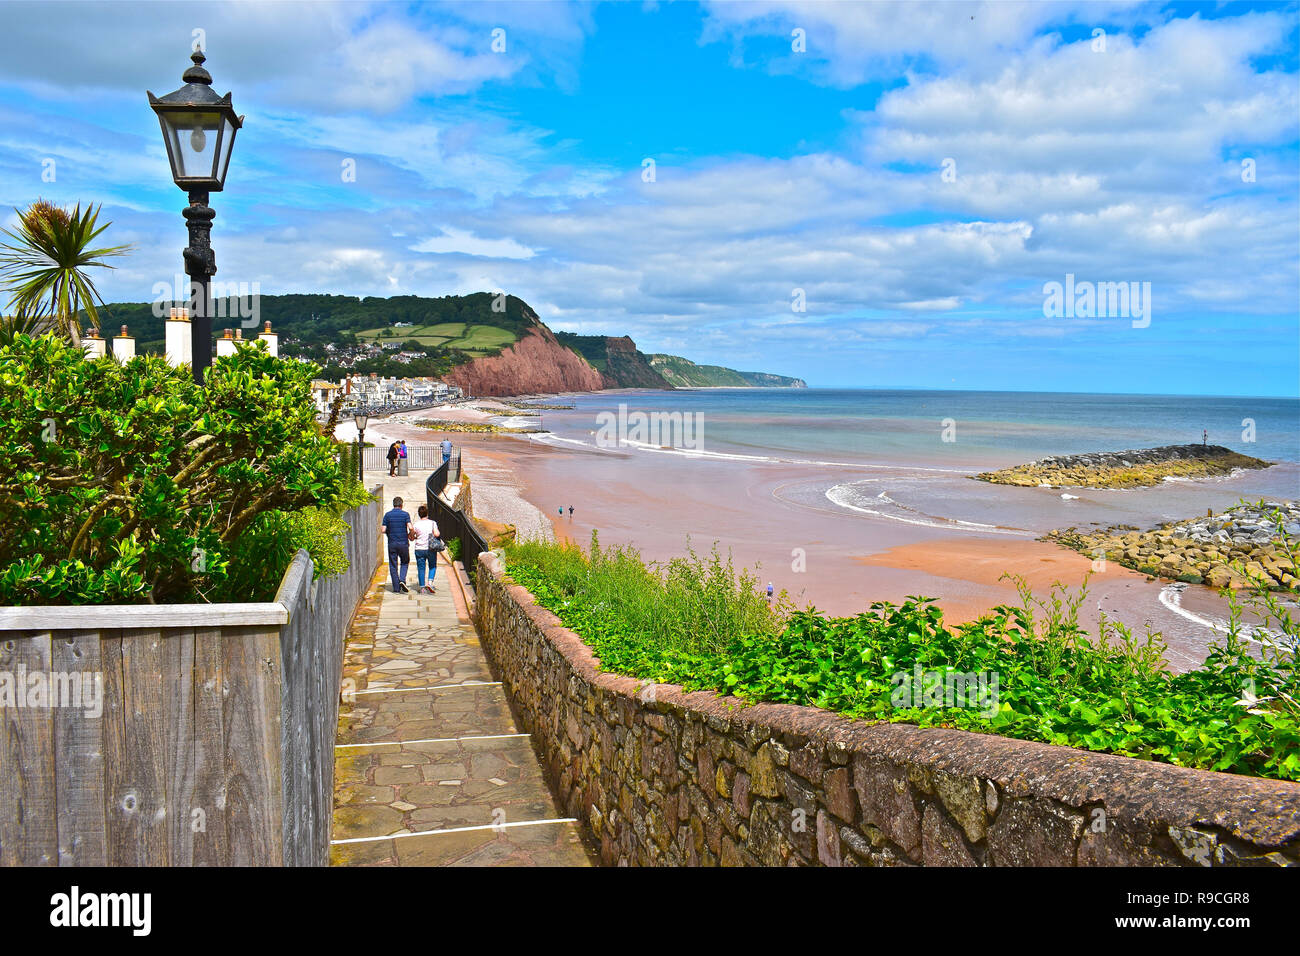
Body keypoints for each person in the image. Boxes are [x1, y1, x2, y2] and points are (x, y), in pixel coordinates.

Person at [382, 496, 414, 593]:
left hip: (392, 543)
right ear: (401, 505)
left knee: (393, 564)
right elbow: (411, 527)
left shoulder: (387, 515)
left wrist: (390, 532)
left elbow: (383, 530)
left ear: (393, 504)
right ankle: (402, 580)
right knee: (404, 562)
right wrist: (410, 535)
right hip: (403, 543)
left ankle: (396, 588)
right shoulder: (405, 515)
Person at [412, 504, 440, 594]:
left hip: (419, 549)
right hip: (430, 548)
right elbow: (436, 534)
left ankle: (422, 588)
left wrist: (416, 536)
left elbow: (412, 536)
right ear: (427, 513)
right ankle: (430, 583)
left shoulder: (416, 524)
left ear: (419, 514)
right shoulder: (432, 523)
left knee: (421, 568)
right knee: (432, 566)